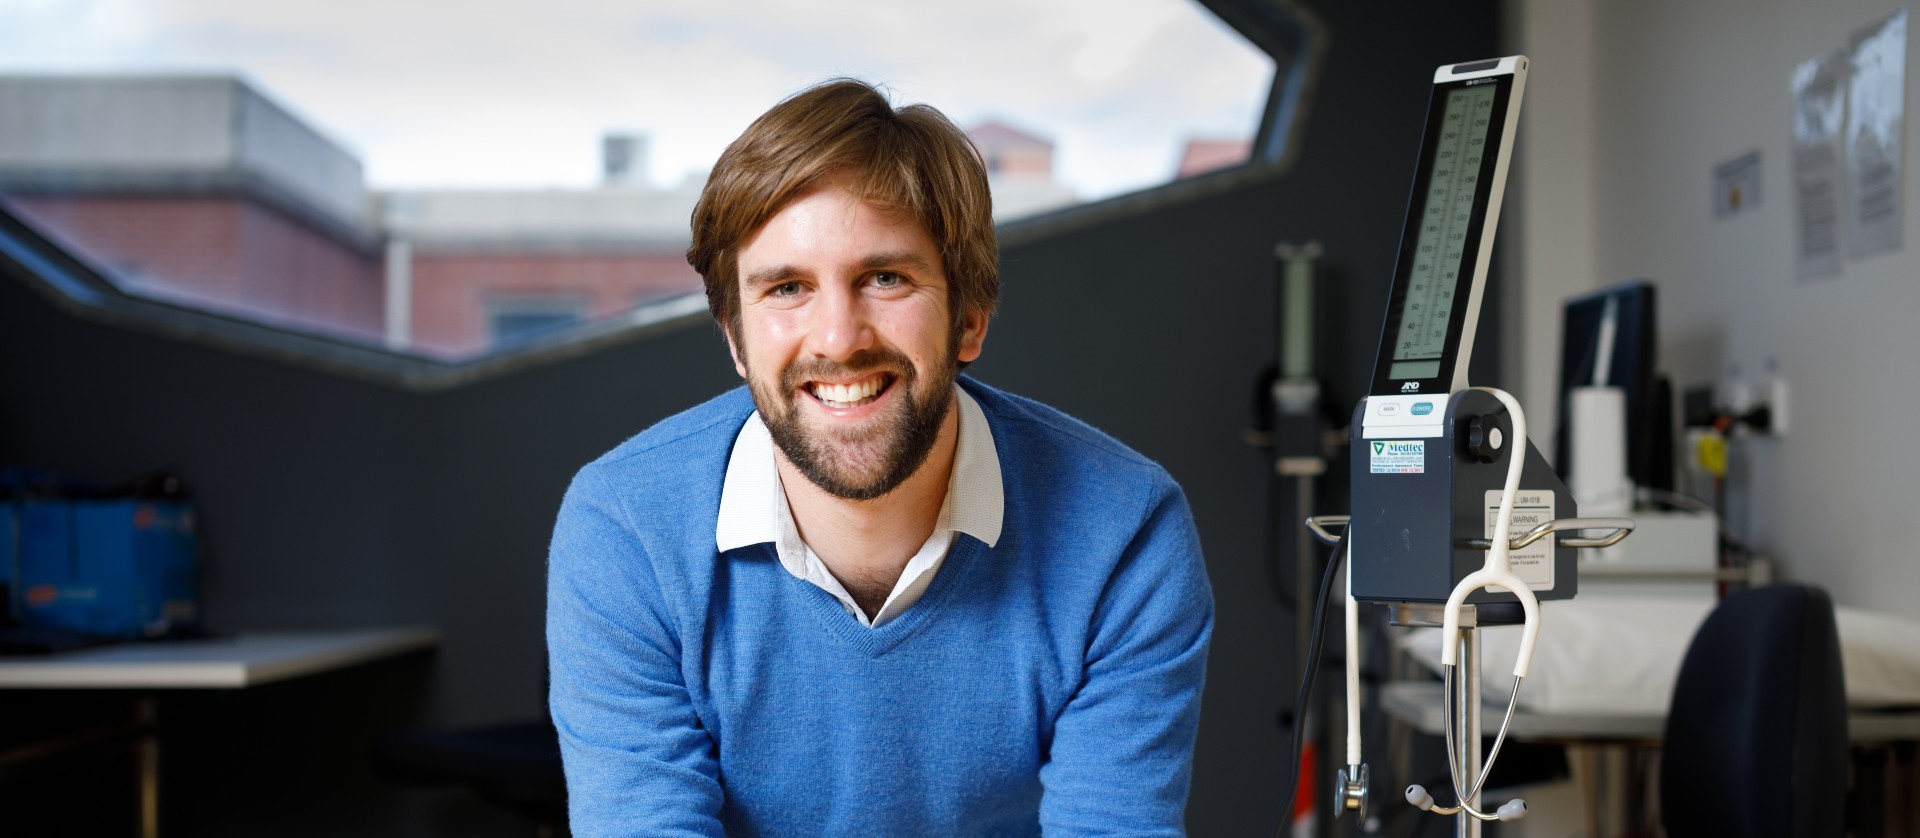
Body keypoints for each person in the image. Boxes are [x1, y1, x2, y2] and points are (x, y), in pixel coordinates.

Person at [547, 78, 1213, 836]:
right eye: (788, 287)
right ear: (736, 340)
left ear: (970, 318)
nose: (838, 337)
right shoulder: (626, 526)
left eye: (885, 278)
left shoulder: (1124, 532)